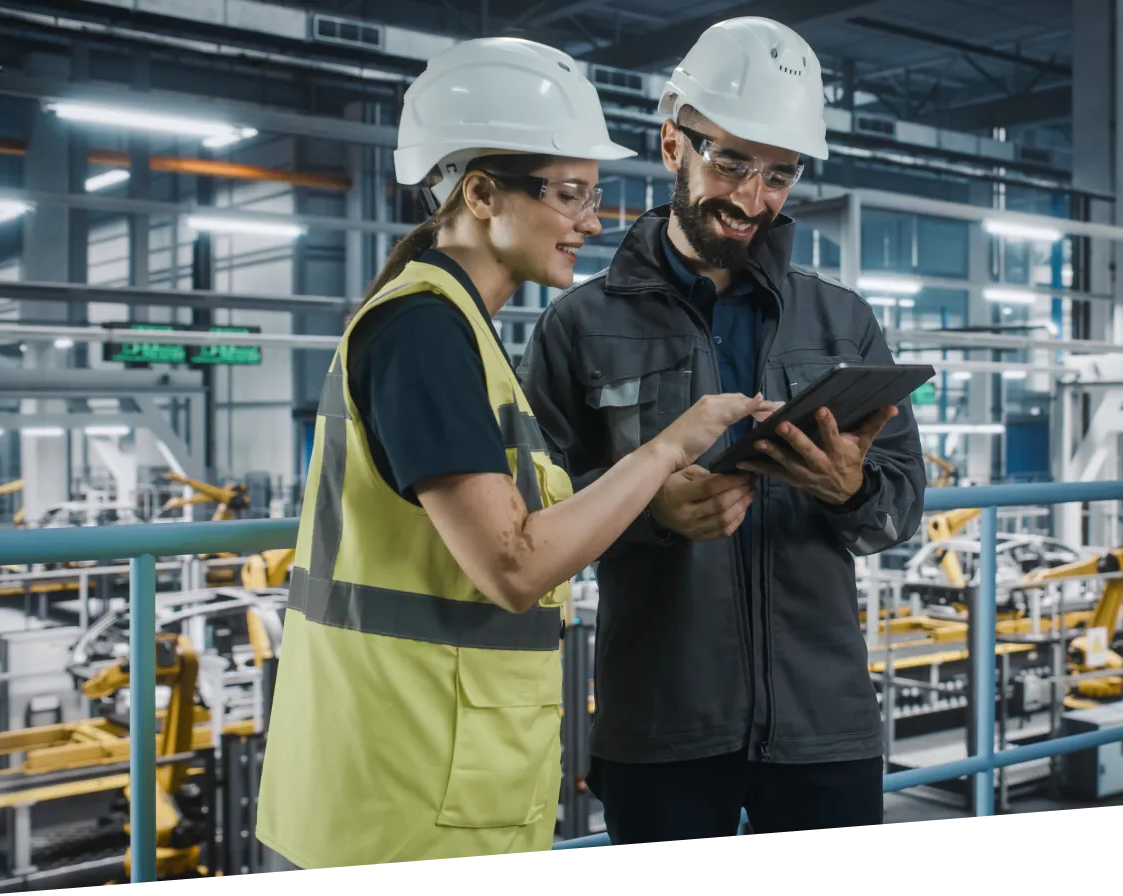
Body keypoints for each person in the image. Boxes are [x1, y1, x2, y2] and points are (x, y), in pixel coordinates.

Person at [253, 37, 770, 869]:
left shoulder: (461, 333)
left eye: (594, 196)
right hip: (402, 794)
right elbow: (515, 564)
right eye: (569, 194)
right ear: (482, 192)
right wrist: (668, 448)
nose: (591, 221)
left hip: (440, 780)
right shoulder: (424, 333)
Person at [519, 16, 926, 847]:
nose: (751, 197)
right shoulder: (580, 327)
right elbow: (530, 524)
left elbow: (901, 513)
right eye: (730, 160)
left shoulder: (841, 321)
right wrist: (650, 510)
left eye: (778, 174)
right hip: (662, 721)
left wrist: (850, 489)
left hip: (823, 724)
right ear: (674, 144)